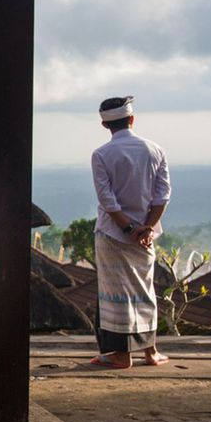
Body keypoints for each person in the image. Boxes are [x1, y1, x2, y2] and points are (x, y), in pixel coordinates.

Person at [88, 95, 172, 369]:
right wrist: (146, 228)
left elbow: (107, 200)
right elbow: (162, 196)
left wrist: (128, 229)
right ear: (132, 119)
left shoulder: (101, 155)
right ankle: (151, 352)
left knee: (114, 294)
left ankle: (120, 354)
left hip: (113, 234)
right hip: (145, 235)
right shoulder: (155, 150)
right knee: (144, 289)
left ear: (104, 124)